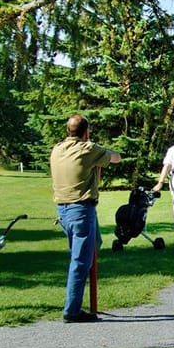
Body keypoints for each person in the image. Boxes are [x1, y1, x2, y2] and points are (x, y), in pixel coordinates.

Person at [50, 114, 120, 323]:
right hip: (81, 210)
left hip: (63, 210)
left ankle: (77, 303)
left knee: (91, 246)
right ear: (86, 132)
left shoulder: (57, 149)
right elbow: (116, 158)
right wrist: (100, 148)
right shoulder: (88, 149)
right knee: (80, 261)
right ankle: (72, 310)